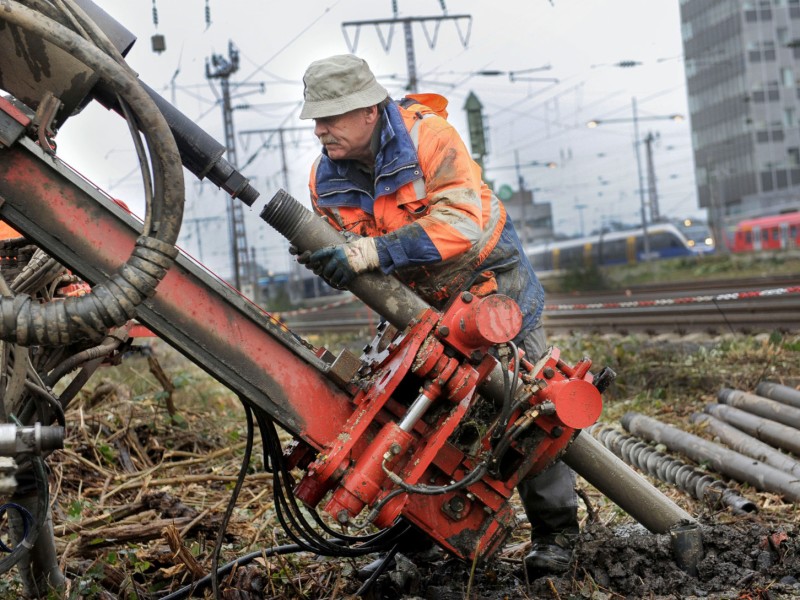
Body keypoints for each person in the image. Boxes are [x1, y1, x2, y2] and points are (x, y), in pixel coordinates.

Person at [294, 53, 579, 576]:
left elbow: (461, 224)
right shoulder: (323, 180)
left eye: (330, 117)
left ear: (369, 112)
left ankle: (556, 536)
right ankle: (414, 536)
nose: (319, 129)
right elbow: (353, 253)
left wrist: (370, 254)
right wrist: (338, 261)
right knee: (407, 412)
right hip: (419, 305)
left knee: (534, 410)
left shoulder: (431, 139)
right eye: (316, 118)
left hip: (493, 285)